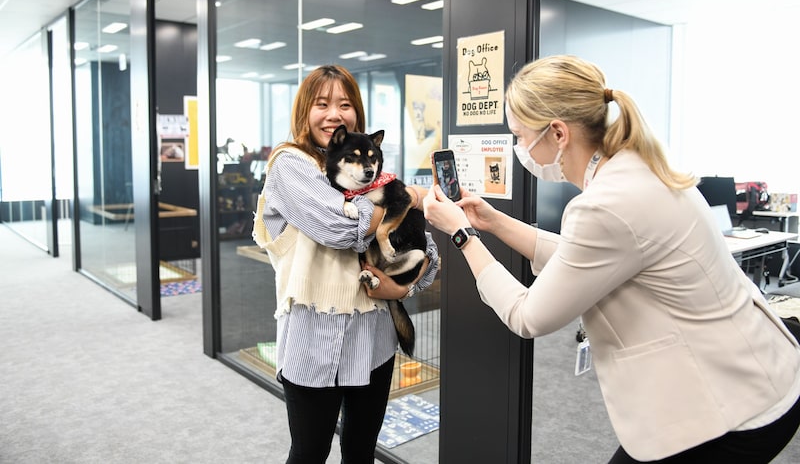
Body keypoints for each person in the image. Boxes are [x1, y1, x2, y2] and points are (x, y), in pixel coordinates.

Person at [423, 54, 800, 463]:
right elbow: (580, 260)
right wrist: (495, 222)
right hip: (758, 372)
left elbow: (526, 316)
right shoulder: (638, 171)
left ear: (557, 133)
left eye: (519, 135)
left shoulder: (606, 204)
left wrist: (462, 234)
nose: (518, 148)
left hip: (731, 407)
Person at [254, 64, 439, 463]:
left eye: (345, 104)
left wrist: (403, 286)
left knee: (361, 452)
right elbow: (338, 229)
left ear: (357, 113)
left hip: (373, 336)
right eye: (322, 104)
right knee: (309, 453)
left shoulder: (366, 170)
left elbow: (425, 248)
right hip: (314, 336)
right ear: (305, 110)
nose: (334, 113)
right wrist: (407, 196)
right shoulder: (291, 164)